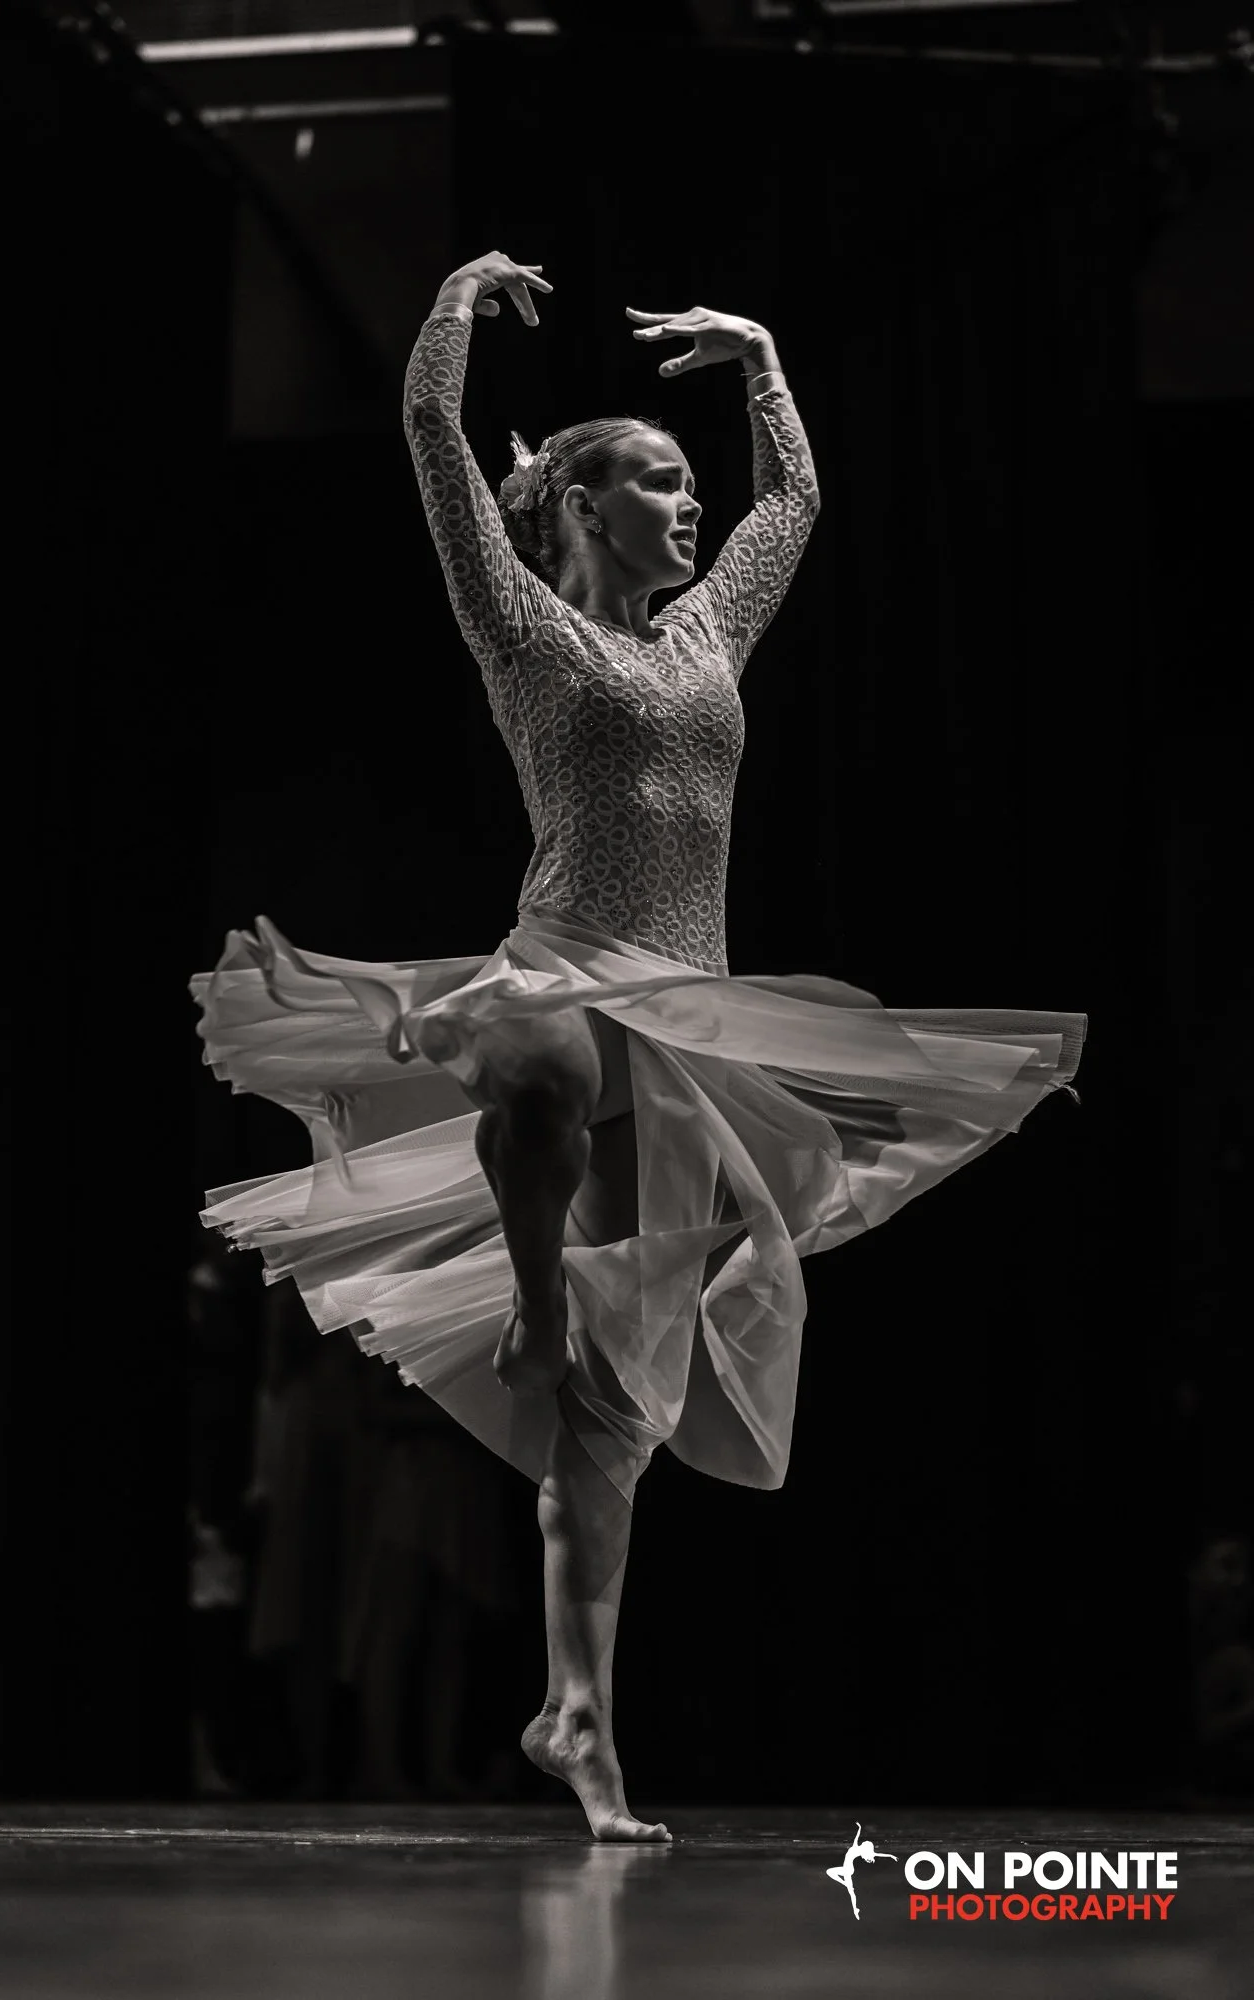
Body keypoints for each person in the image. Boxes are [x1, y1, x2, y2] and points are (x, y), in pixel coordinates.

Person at [191, 250, 1085, 1843]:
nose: (687, 511)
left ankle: (577, 1717)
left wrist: (757, 363)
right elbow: (427, 438)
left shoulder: (707, 644)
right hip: (564, 971)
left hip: (692, 1015)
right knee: (529, 1047)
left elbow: (788, 509)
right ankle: (535, 1302)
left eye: (686, 489)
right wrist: (458, 302)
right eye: (657, 487)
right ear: (583, 506)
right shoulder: (525, 633)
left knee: (612, 1428)